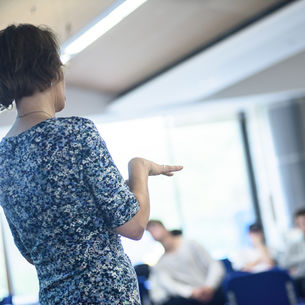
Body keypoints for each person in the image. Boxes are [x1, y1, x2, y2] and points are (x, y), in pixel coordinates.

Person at [0, 24, 183, 305]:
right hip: (106, 296)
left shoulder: (3, 158)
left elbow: (30, 250)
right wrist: (139, 168)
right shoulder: (76, 134)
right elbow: (134, 226)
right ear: (54, 71)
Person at [146, 220, 225, 305]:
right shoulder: (160, 264)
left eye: (154, 227)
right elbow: (170, 285)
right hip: (191, 300)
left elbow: (214, 265)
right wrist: (192, 293)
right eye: (150, 231)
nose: (153, 232)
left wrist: (210, 286)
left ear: (164, 228)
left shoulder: (191, 244)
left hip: (214, 292)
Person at [280, 208, 305, 299]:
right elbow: (285, 263)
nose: (303, 227)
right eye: (301, 224)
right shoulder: (295, 243)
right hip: (302, 278)